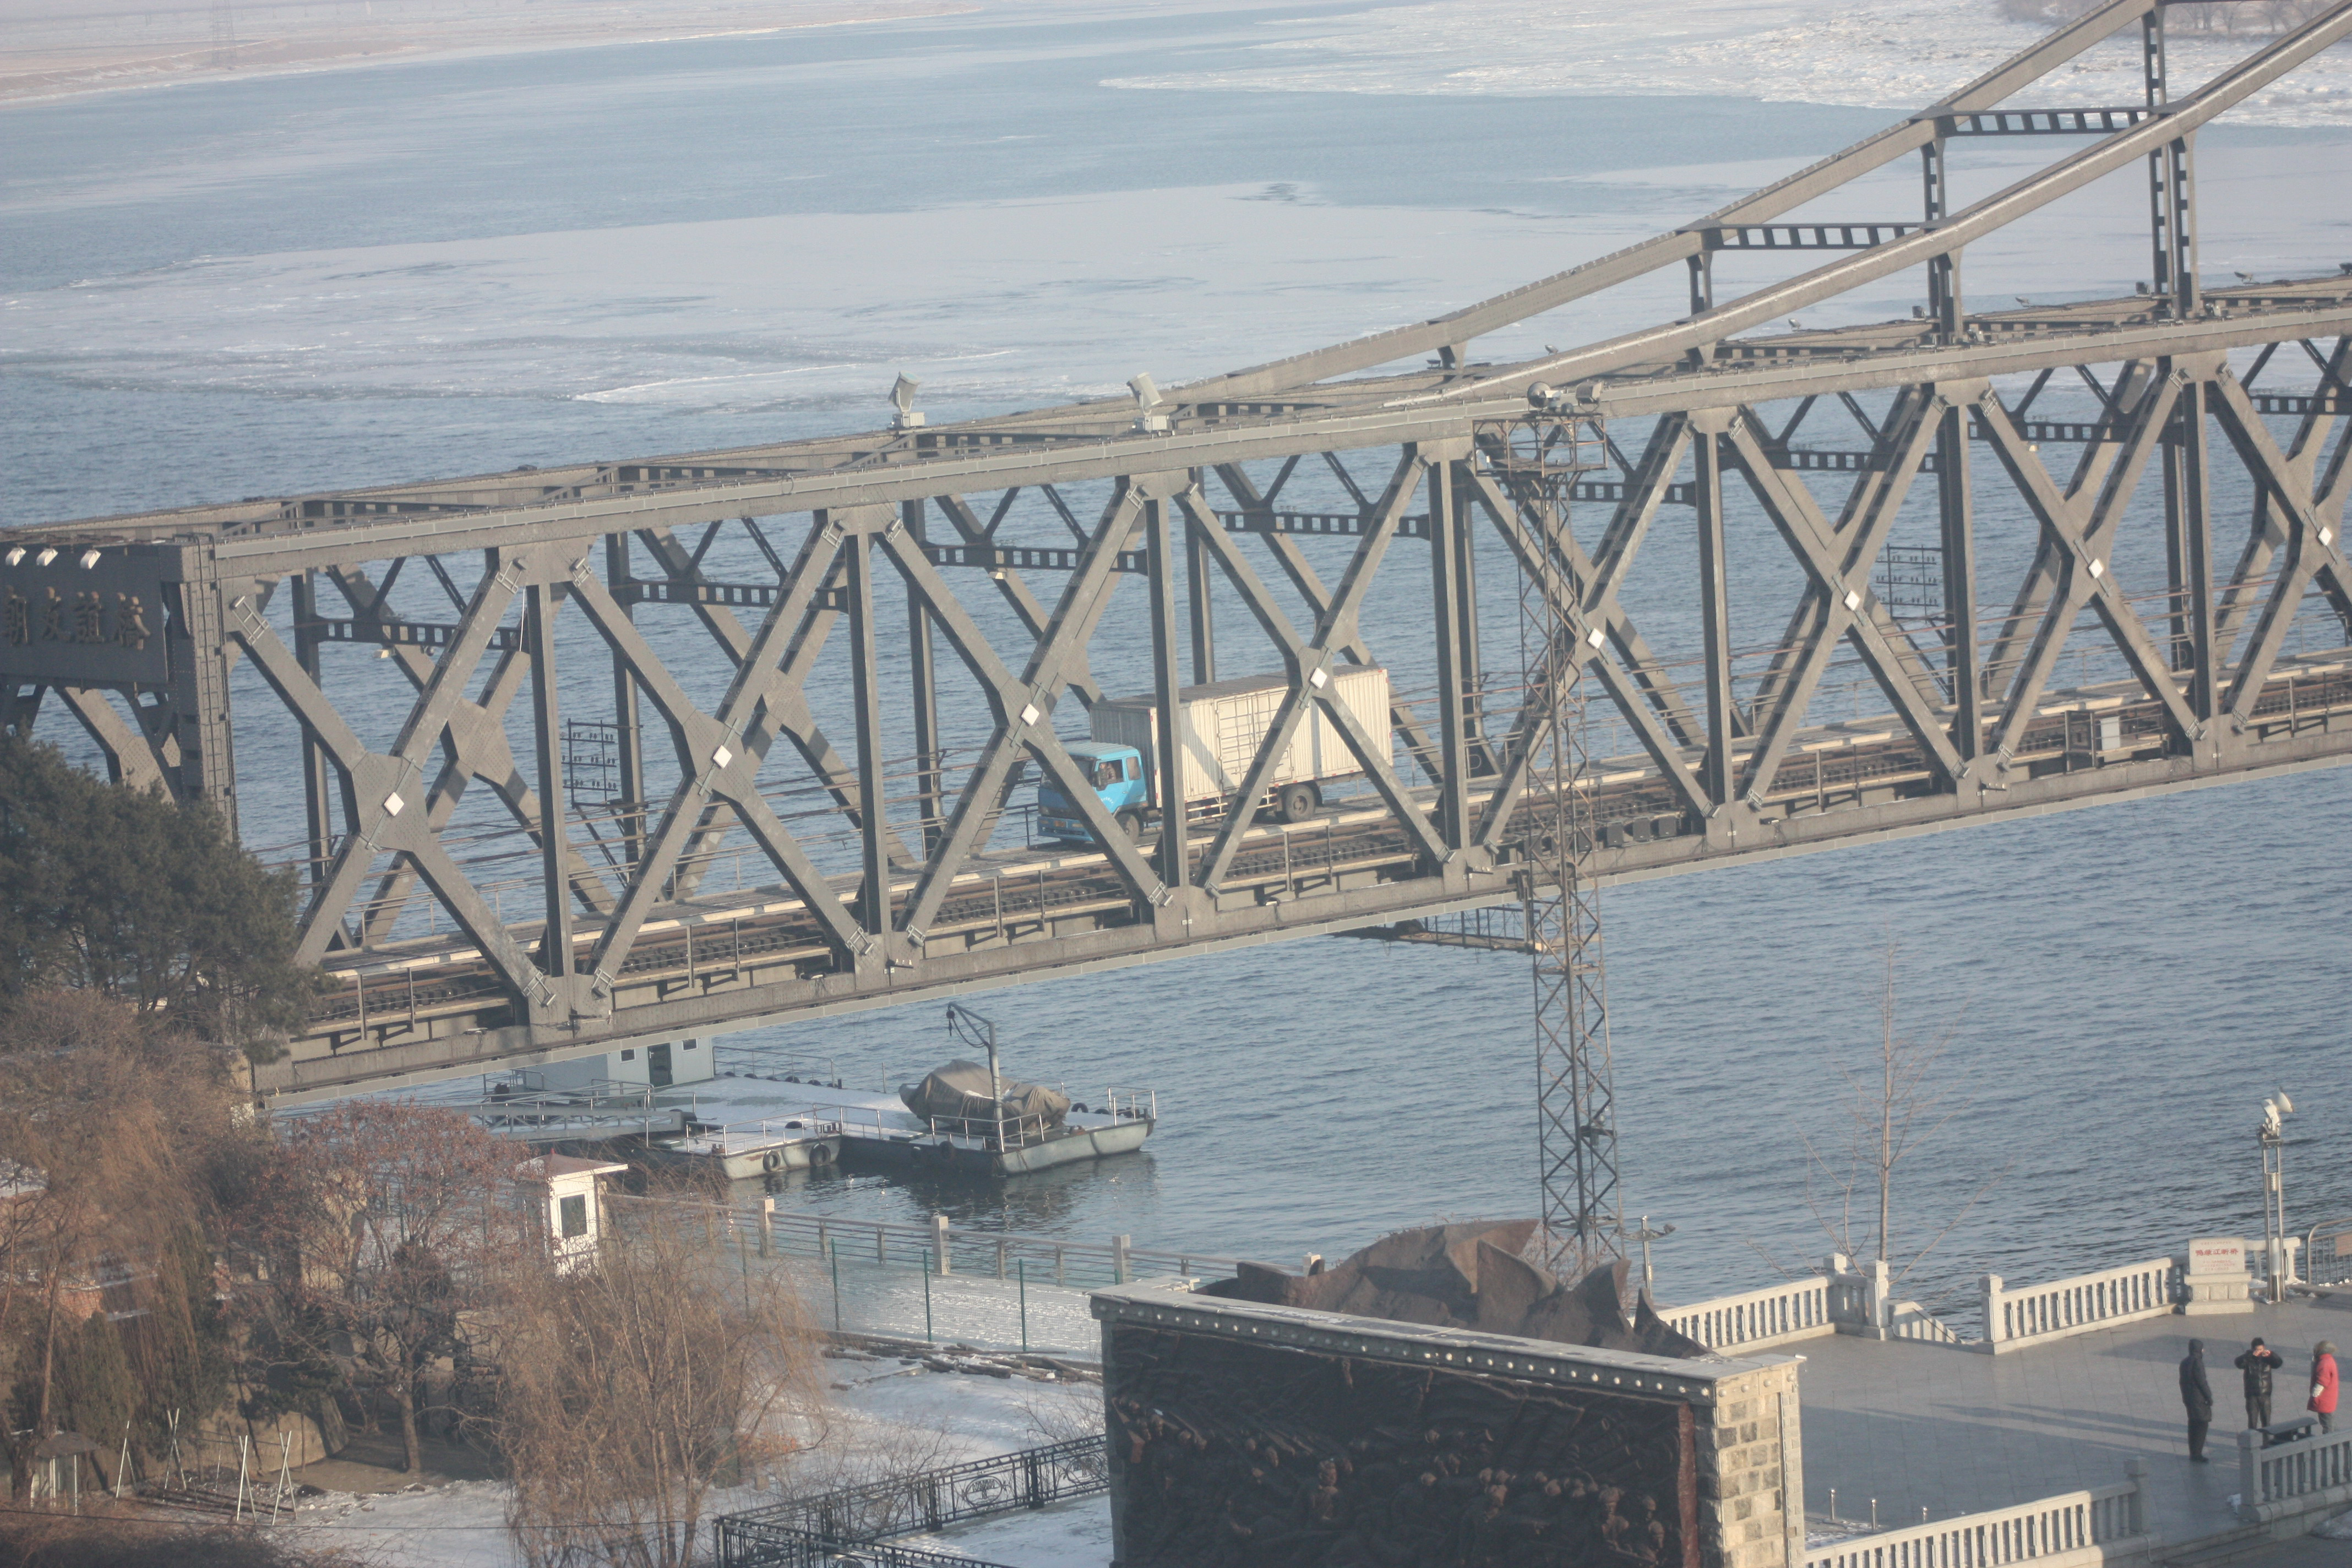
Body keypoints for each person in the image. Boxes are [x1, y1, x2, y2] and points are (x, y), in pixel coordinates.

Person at [2236, 1336, 2286, 1429]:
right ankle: (2252, 1441)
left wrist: (2271, 1355)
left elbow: (2278, 1363)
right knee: (2252, 1422)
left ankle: (2266, 1442)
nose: (2260, 1352)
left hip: (2265, 1394)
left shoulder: (2267, 1359)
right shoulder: (2249, 1359)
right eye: (2257, 1350)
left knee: (2266, 1422)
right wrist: (2250, 1356)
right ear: (2253, 1350)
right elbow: (2238, 1363)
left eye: (2261, 1349)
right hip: (2252, 1395)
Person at [2181, 1338, 2215, 1461]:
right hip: (2199, 1399)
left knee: (2192, 1424)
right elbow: (2202, 1381)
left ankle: (2193, 1452)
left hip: (2189, 1399)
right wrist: (2209, 1396)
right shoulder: (2197, 1362)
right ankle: (2197, 1454)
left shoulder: (2184, 1362)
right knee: (2202, 1424)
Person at [2311, 1341, 2340, 1434]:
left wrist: (2315, 1395)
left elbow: (2322, 1382)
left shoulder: (2323, 1363)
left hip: (2324, 1400)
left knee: (2327, 1425)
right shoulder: (2329, 1360)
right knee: (2330, 1423)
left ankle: (2328, 1444)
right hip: (2329, 1399)